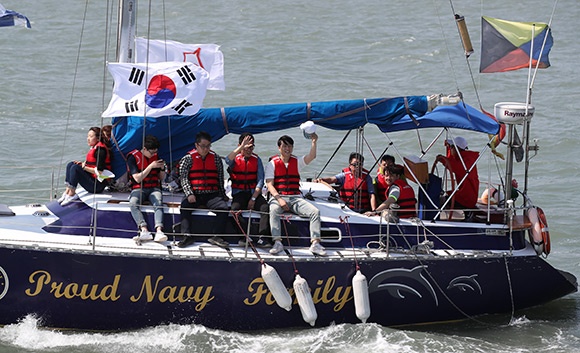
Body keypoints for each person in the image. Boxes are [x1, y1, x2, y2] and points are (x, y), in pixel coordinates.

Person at [265, 134, 326, 256]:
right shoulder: (272, 164)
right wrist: (279, 199)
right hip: (279, 197)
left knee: (315, 212)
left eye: (290, 146)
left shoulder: (297, 162)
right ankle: (277, 242)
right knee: (273, 211)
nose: (287, 149)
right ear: (279, 148)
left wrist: (314, 141)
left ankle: (315, 243)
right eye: (284, 146)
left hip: (295, 198)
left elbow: (311, 156)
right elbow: (269, 185)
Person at [177, 131, 229, 248]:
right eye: (203, 146)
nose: (206, 149)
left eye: (208, 146)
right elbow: (184, 179)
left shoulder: (215, 158)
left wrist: (222, 194)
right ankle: (186, 235)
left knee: (223, 209)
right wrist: (189, 193)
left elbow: (219, 179)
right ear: (196, 145)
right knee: (185, 207)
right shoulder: (187, 159)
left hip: (211, 194)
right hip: (195, 194)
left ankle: (216, 236)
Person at [225, 133, 271, 247]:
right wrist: (241, 147)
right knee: (234, 209)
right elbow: (227, 160)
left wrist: (253, 198)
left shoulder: (257, 160)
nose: (249, 150)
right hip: (239, 193)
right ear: (240, 145)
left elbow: (260, 180)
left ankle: (262, 237)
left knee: (265, 207)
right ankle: (244, 236)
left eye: (252, 147)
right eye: (247, 147)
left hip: (252, 192)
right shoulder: (234, 159)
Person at [127, 135, 167, 243]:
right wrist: (150, 166)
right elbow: (137, 178)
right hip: (139, 188)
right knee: (133, 203)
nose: (154, 154)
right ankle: (144, 229)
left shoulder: (157, 157)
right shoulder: (132, 157)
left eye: (155, 152)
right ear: (144, 149)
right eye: (152, 152)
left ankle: (159, 230)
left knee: (158, 202)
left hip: (154, 188)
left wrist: (162, 168)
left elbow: (161, 178)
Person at [58, 126, 112, 206]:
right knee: (71, 164)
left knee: (76, 168)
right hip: (92, 180)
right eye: (87, 136)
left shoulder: (101, 151)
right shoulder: (94, 147)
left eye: (91, 136)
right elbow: (92, 163)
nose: (88, 139)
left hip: (97, 186)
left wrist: (84, 167)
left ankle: (72, 194)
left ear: (98, 138)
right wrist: (82, 164)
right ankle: (67, 191)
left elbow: (100, 171)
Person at [441, 136, 479, 210]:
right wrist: (449, 147)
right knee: (444, 197)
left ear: (457, 149)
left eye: (452, 147)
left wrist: (443, 160)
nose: (451, 149)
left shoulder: (467, 162)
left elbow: (453, 166)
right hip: (463, 195)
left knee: (439, 201)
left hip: (466, 200)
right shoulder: (462, 157)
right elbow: (451, 160)